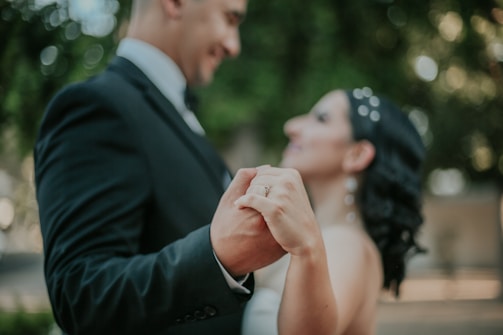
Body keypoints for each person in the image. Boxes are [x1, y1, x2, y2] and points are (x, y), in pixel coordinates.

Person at [33, 0, 293, 334]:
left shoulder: (176, 114)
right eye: (229, 19)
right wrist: (216, 256)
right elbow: (80, 294)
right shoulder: (96, 106)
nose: (233, 46)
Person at [238, 87, 426, 335]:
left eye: (321, 118)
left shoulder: (346, 244)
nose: (292, 126)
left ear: (356, 154)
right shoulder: (323, 240)